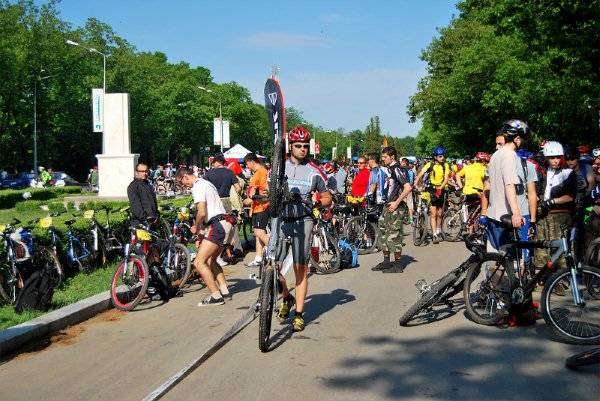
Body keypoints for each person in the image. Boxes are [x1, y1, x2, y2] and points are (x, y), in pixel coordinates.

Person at [277, 126, 332, 332]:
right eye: (298, 146)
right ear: (290, 146)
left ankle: (299, 314)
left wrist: (319, 204)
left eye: (305, 146)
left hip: (304, 220)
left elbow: (327, 197)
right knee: (272, 267)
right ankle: (286, 296)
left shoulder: (314, 171)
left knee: (301, 268)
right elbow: (268, 191)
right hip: (282, 219)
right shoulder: (278, 167)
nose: (302, 149)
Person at [176, 167, 234, 306]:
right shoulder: (207, 183)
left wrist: (196, 226)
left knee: (198, 262)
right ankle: (224, 291)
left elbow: (202, 212)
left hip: (217, 225)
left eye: (182, 182)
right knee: (211, 260)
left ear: (185, 177)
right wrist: (203, 231)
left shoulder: (198, 186)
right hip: (225, 222)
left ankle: (215, 296)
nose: (184, 186)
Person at [483, 120, 529, 252]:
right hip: (504, 217)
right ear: (517, 139)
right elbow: (509, 184)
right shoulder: (510, 155)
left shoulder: (495, 155)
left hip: (493, 215)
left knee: (496, 261)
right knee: (510, 262)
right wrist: (516, 213)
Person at [534, 141, 577, 270]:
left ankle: (562, 279)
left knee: (561, 251)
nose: (556, 160)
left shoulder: (568, 173)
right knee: (542, 249)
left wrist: (552, 201)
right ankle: (543, 278)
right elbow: (535, 192)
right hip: (543, 217)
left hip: (561, 217)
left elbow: (571, 196)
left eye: (558, 157)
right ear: (546, 158)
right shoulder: (541, 172)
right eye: (552, 157)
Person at [372, 146, 412, 272]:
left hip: (395, 207)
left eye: (385, 157)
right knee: (383, 233)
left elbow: (407, 187)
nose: (382, 159)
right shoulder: (389, 169)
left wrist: (397, 202)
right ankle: (386, 261)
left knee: (394, 235)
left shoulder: (397, 169)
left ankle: (398, 264)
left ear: (392, 157)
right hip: (387, 205)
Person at [414, 147, 450, 244]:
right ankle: (434, 234)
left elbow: (446, 179)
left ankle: (438, 230)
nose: (442, 158)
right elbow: (420, 174)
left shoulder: (445, 165)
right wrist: (416, 183)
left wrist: (441, 188)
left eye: (443, 156)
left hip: (441, 189)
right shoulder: (430, 164)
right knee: (433, 213)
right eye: (440, 156)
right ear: (435, 157)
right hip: (432, 189)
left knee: (440, 213)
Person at [243, 153, 270, 268]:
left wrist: (248, 200)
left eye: (247, 164)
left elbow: (265, 190)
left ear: (251, 162)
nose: (247, 167)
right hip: (257, 207)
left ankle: (274, 250)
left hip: (262, 207)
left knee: (259, 232)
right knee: (258, 234)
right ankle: (258, 258)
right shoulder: (258, 173)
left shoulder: (261, 172)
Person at [127, 163, 159, 228]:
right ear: (136, 172)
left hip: (152, 222)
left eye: (146, 171)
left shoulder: (149, 185)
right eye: (141, 171)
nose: (144, 173)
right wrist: (146, 219)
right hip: (140, 224)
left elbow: (154, 203)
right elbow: (136, 207)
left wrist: (157, 216)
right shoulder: (132, 187)